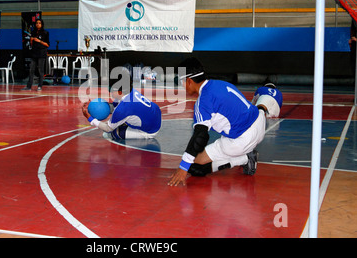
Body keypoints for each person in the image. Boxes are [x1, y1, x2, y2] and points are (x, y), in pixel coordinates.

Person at [168, 57, 267, 187]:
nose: (181, 86)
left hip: (242, 140)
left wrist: (183, 167)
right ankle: (244, 155)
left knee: (194, 166)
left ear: (189, 81)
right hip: (259, 124)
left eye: (181, 82)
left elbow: (200, 137)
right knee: (195, 159)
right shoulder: (220, 84)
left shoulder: (203, 102)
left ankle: (244, 158)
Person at [82, 73, 162, 140]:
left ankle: (144, 134)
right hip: (154, 118)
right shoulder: (131, 91)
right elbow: (114, 106)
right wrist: (95, 104)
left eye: (111, 90)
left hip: (150, 131)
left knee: (115, 133)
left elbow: (108, 129)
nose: (110, 92)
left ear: (119, 92)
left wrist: (90, 118)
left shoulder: (123, 108)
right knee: (119, 119)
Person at [22, 18, 49, 91]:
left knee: (40, 70)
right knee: (31, 70)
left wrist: (39, 41)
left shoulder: (45, 33)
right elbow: (31, 44)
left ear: (42, 24)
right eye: (37, 23)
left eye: (39, 23)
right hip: (34, 53)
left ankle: (40, 86)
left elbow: (47, 44)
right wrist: (31, 41)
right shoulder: (33, 32)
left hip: (41, 53)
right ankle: (29, 86)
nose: (38, 24)